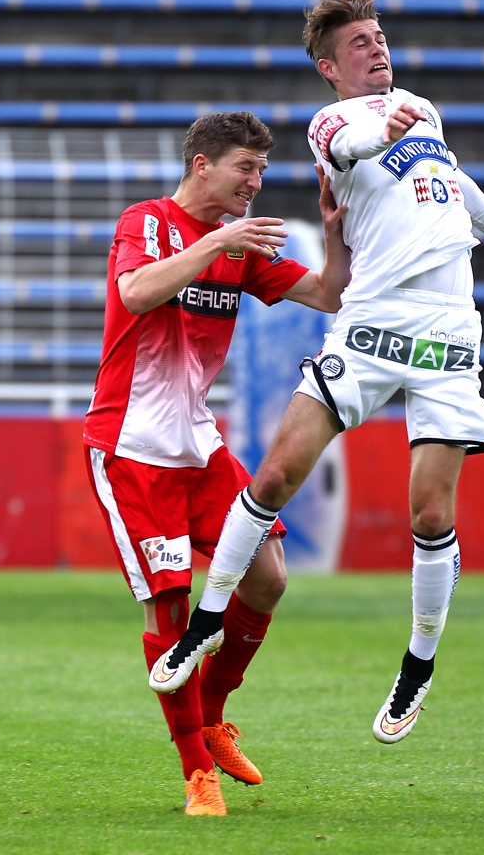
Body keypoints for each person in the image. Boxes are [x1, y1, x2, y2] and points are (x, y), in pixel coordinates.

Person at [152, 0, 484, 748]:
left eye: (380, 38)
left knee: (430, 516)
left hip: (445, 328)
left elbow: (454, 183)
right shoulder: (330, 124)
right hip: (369, 319)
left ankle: (417, 667)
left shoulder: (420, 110)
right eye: (359, 44)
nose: (377, 50)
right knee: (273, 476)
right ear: (328, 67)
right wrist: (383, 128)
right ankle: (203, 623)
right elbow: (350, 147)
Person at [83, 111, 351, 817]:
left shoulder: (244, 245)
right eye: (245, 168)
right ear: (203, 164)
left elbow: (327, 294)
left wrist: (330, 225)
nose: (256, 183)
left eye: (261, 171)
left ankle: (211, 712)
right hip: (132, 448)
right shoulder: (147, 221)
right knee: (169, 609)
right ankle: (195, 771)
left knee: (267, 576)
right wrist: (219, 242)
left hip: (199, 447)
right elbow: (136, 292)